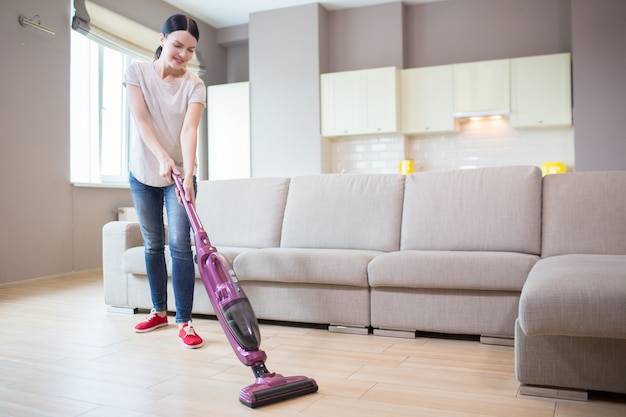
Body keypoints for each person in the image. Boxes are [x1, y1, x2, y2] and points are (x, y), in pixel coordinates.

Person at [123, 14, 206, 349]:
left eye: (190, 49)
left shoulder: (195, 84)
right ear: (162, 39)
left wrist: (187, 174)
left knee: (180, 247)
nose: (183, 54)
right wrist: (161, 157)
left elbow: (189, 129)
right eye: (177, 45)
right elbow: (141, 122)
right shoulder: (136, 72)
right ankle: (158, 311)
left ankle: (184, 321)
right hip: (143, 172)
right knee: (152, 244)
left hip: (178, 175)